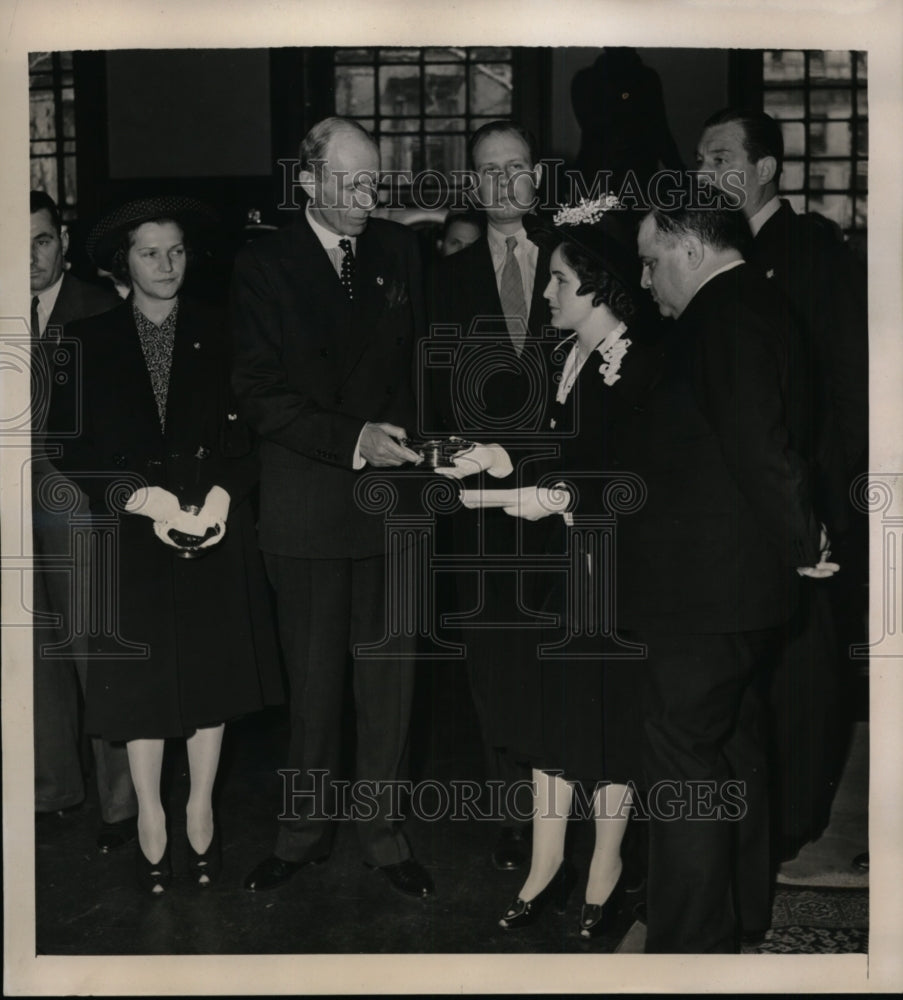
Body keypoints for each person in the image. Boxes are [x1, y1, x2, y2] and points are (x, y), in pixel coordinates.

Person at [47, 195, 283, 894]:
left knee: (209, 680)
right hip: (134, 537)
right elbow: (68, 443)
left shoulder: (223, 330)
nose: (166, 264)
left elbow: (253, 432)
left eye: (176, 250)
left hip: (211, 527)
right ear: (123, 262)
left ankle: (199, 804)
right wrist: (137, 498)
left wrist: (221, 497)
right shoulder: (87, 340)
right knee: (144, 686)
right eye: (150, 253)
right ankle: (149, 812)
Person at [231, 117, 434, 900]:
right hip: (308, 507)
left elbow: (419, 367)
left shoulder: (397, 249)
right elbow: (256, 392)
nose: (365, 197)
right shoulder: (263, 265)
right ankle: (302, 835)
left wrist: (429, 462)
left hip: (393, 506)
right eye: (349, 183)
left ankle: (384, 838)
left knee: (389, 687)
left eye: (374, 182)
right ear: (308, 182)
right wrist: (353, 438)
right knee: (313, 691)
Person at [634, 188, 836, 951]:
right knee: (735, 749)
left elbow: (760, 446)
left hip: (704, 597)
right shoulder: (761, 304)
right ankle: (745, 910)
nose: (648, 283)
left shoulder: (723, 317)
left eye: (652, 264)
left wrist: (804, 542)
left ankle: (687, 951)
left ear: (689, 250)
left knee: (682, 763)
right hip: (743, 595)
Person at [447, 197, 655, 938]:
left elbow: (631, 479)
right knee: (547, 718)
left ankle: (605, 873)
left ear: (599, 285)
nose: (547, 293)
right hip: (554, 570)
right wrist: (499, 457)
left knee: (601, 727)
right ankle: (544, 867)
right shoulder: (564, 355)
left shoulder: (636, 361)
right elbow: (553, 447)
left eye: (560, 281)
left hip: (608, 571)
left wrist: (548, 494)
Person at [697, 108, 868, 863]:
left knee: (805, 664)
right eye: (700, 161)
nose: (705, 173)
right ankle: (755, 812)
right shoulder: (717, 249)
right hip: (743, 502)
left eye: (719, 158)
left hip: (808, 495)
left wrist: (840, 498)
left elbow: (849, 382)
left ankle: (797, 814)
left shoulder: (811, 250)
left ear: (764, 168)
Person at [427, 119, 555, 872]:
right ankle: (512, 812)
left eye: (515, 168)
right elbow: (435, 392)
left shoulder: (578, 260)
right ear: (473, 186)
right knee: (492, 654)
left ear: (535, 175)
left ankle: (567, 800)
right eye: (487, 172)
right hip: (479, 499)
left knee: (565, 648)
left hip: (560, 489)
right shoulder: (445, 275)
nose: (503, 183)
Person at [29, 190, 139, 853]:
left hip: (76, 503)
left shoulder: (100, 309)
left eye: (40, 239)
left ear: (62, 239)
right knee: (31, 653)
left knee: (95, 650)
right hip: (12, 507)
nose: (29, 257)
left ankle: (120, 803)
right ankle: (52, 787)